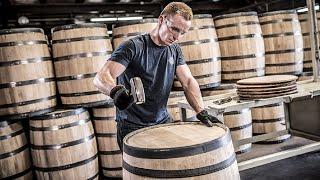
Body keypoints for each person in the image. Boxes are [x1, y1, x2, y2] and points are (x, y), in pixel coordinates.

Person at [93, 2, 221, 151]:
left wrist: (201, 111)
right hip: (132, 125)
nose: (177, 37)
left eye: (182, 33)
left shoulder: (174, 50)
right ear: (161, 20)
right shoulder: (133, 47)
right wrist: (115, 91)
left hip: (162, 120)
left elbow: (187, 81)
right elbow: (101, 77)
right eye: (174, 29)